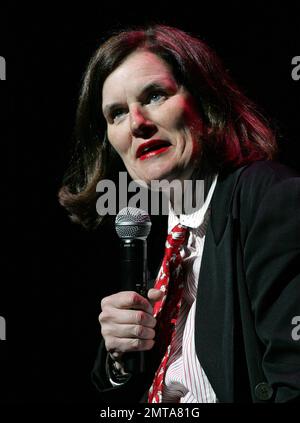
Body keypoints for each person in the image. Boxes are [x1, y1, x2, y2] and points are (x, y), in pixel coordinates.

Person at [58, 24, 300, 403]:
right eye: (117, 113)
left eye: (154, 95)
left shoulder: (267, 198)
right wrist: (120, 359)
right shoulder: (148, 231)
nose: (137, 123)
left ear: (205, 100)